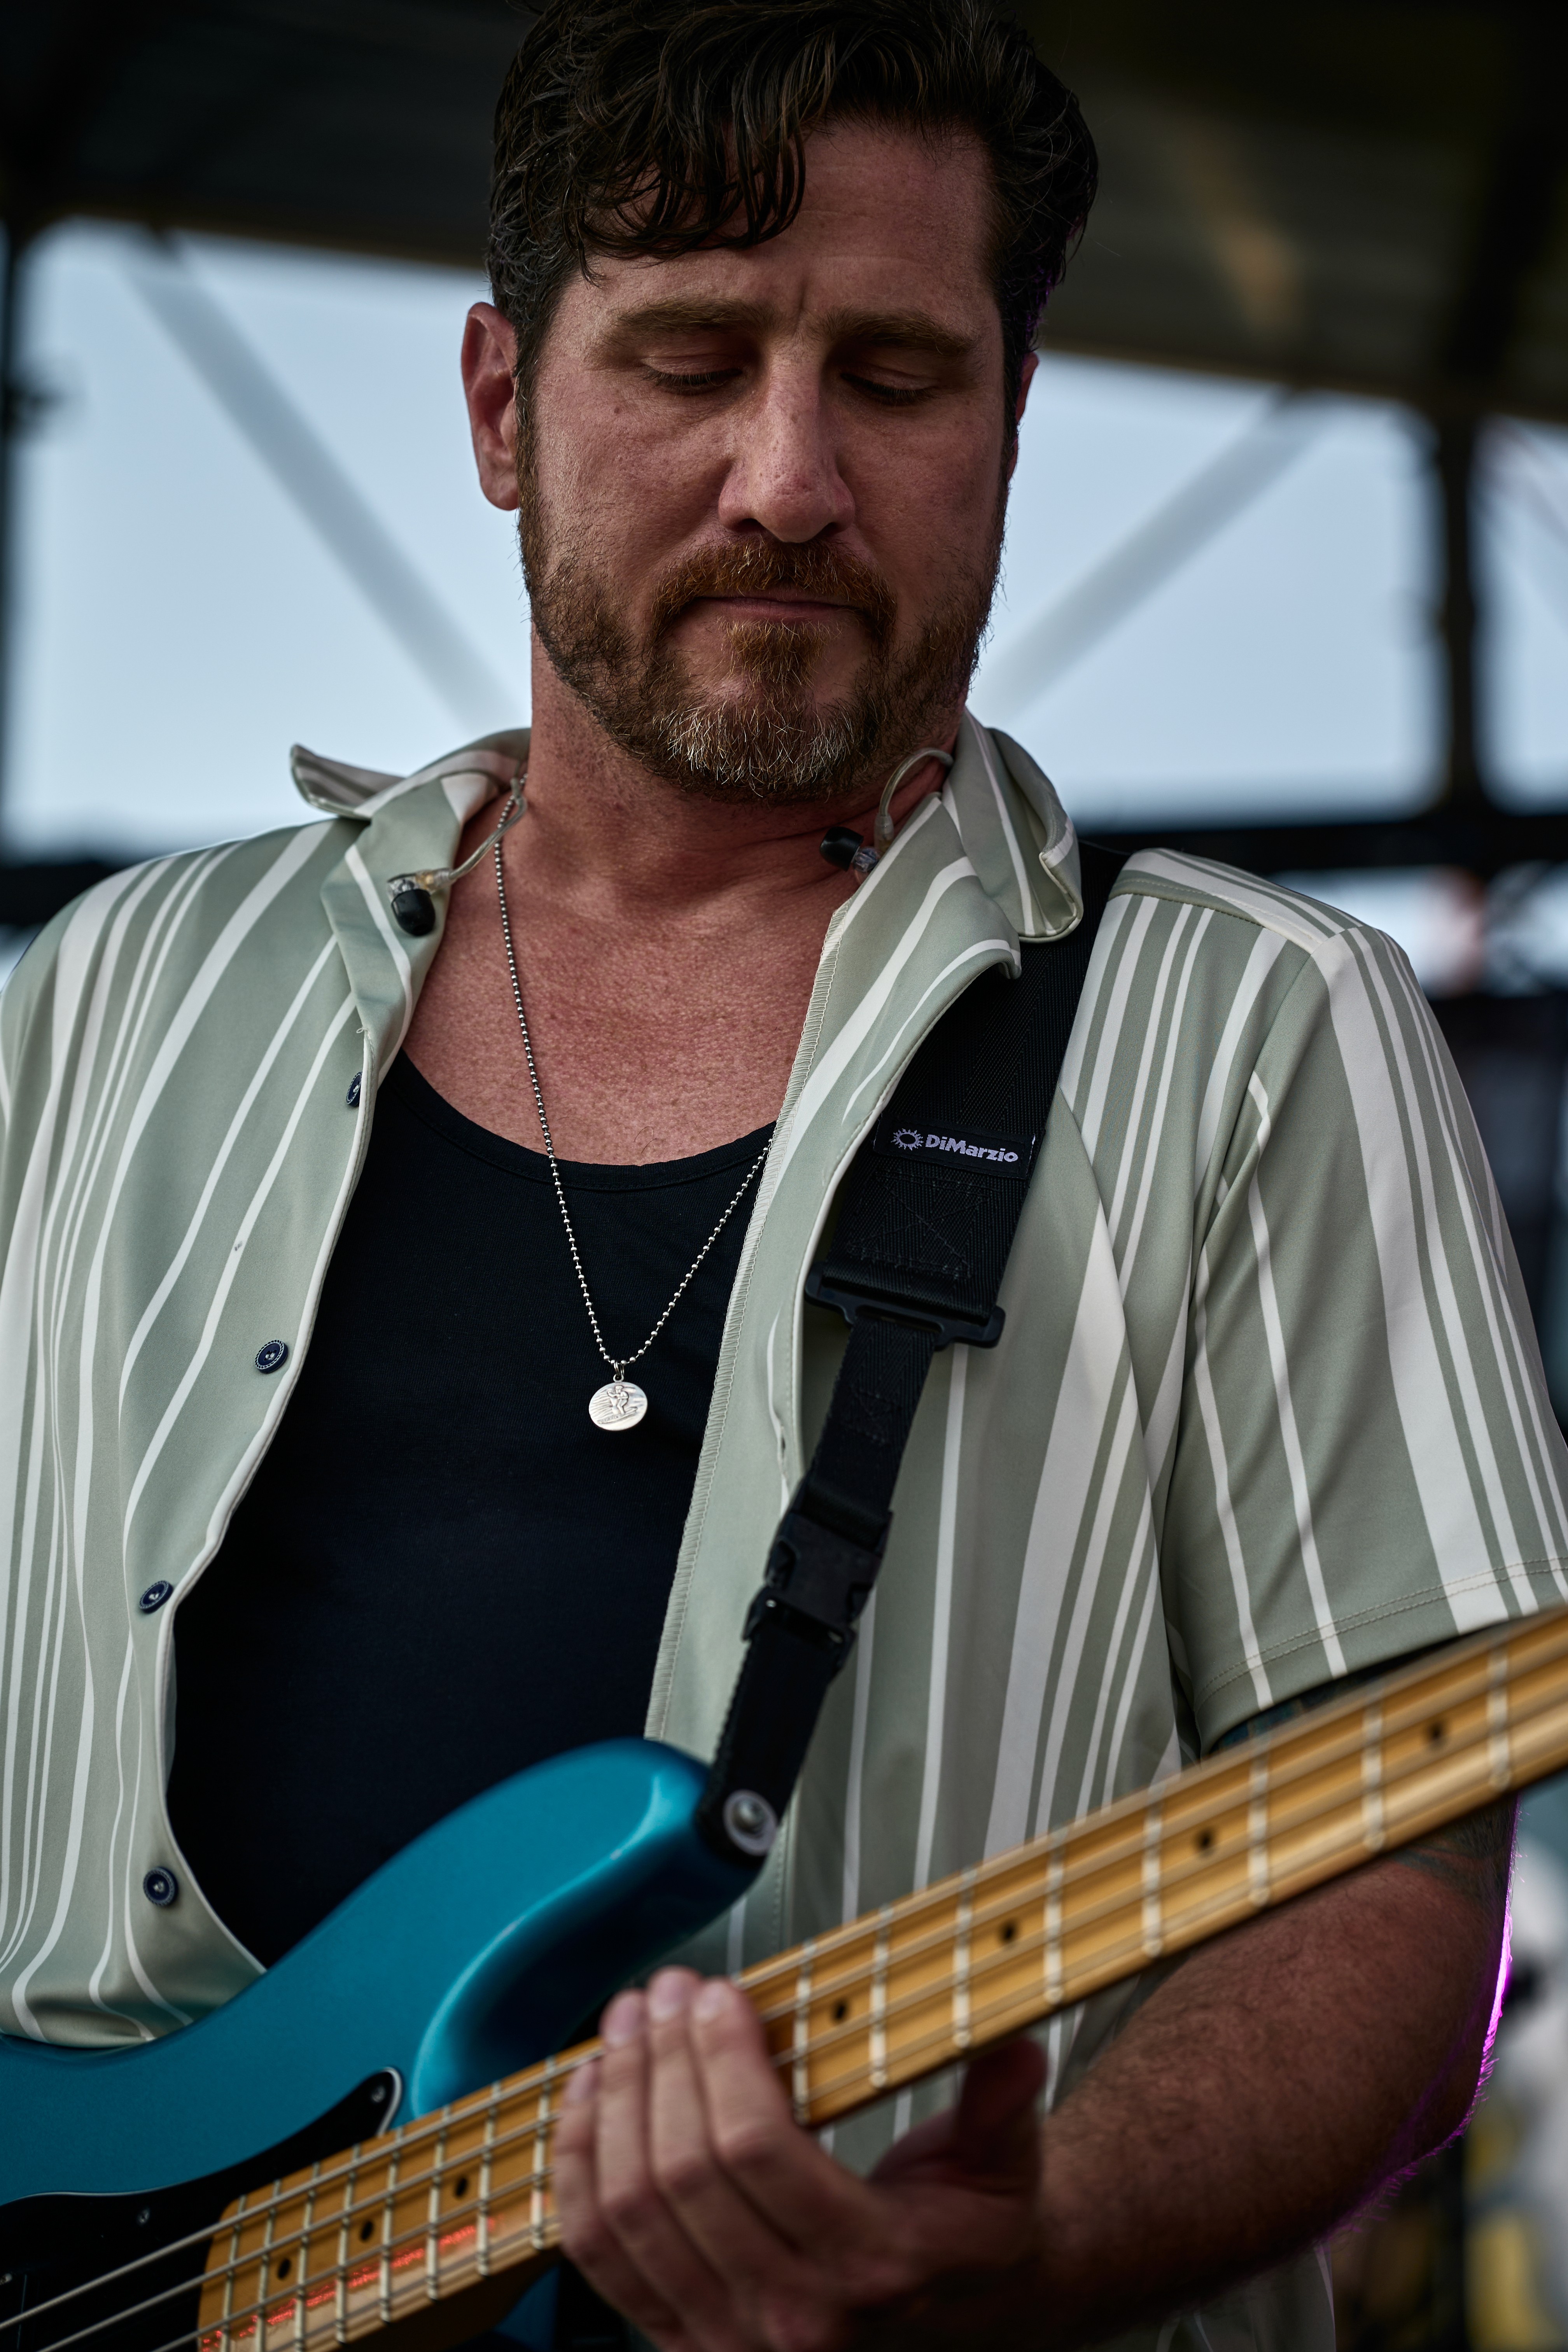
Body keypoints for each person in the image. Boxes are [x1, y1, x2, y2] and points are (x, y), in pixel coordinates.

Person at [0, 4, 1559, 2347]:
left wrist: (1040, 2247)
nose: (792, 479)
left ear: (1013, 423)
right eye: (693, 360)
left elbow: (1400, 1864)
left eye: (900, 380)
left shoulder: (1257, 1028)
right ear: (503, 408)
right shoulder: (113, 992)